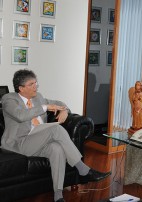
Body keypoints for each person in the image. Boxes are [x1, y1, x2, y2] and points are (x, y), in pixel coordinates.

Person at [1, 69, 111, 202]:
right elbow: (20, 115)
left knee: (56, 148)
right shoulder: (9, 99)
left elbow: (59, 103)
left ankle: (58, 195)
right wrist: (45, 107)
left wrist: (64, 110)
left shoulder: (38, 97)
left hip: (38, 140)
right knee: (55, 130)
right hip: (19, 143)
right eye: (31, 84)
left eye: (36, 82)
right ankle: (83, 170)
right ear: (21, 88)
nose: (36, 86)